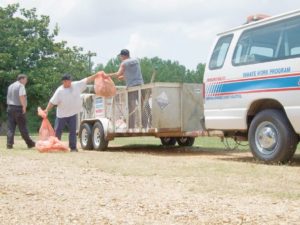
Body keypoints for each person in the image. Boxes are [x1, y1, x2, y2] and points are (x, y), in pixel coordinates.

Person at [44, 73, 98, 152]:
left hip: (73, 113)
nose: (70, 82)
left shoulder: (76, 85)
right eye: (68, 81)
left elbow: (87, 79)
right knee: (58, 131)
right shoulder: (59, 91)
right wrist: (46, 110)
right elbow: (52, 102)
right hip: (61, 115)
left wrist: (97, 75)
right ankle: (55, 146)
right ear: (64, 82)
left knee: (73, 131)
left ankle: (73, 148)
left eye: (70, 80)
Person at [107, 49, 144, 129]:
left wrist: (106, 75)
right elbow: (133, 74)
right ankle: (146, 124)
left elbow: (117, 74)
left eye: (120, 56)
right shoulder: (136, 61)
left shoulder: (124, 63)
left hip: (132, 87)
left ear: (123, 56)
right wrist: (124, 77)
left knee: (131, 107)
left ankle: (131, 127)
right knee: (143, 106)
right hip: (141, 85)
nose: (120, 58)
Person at [6, 74, 35, 149]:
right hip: (18, 108)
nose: (26, 81)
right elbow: (21, 97)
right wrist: (24, 107)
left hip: (10, 108)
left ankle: (9, 144)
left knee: (10, 127)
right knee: (22, 127)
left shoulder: (10, 86)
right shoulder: (21, 86)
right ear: (21, 79)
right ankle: (30, 143)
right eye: (26, 79)